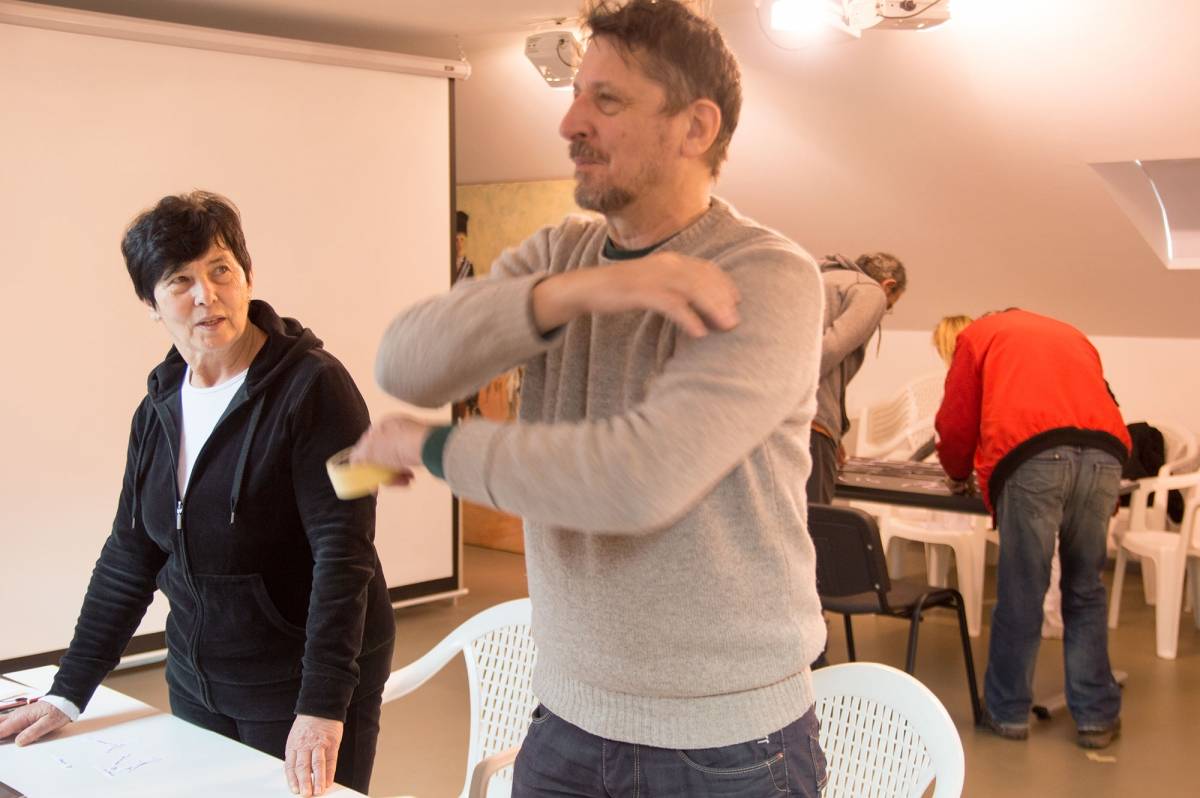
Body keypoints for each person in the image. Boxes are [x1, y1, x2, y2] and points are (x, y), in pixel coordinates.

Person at [351, 1, 829, 794]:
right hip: (566, 722)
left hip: (729, 748)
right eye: (577, 96)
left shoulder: (767, 275)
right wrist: (587, 289)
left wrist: (428, 446)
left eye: (606, 100)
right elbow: (406, 364)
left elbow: (636, 479)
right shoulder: (561, 254)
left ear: (695, 127)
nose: (570, 123)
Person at [0, 192, 395, 796]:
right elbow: (130, 553)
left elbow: (345, 554)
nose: (207, 296)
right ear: (150, 302)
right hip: (196, 677)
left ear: (247, 277)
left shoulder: (319, 387)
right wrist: (68, 692)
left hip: (301, 681)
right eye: (180, 281)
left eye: (220, 271)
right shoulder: (157, 406)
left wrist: (322, 705)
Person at [935, 308, 1129, 749]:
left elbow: (957, 419)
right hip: (1105, 455)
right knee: (1085, 588)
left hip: (1033, 456)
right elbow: (1106, 401)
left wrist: (958, 471)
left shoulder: (979, 336)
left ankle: (1006, 713)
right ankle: (1096, 718)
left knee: (1023, 588)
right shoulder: (1072, 334)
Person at [806, 252, 907, 504]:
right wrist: (824, 425)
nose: (884, 310)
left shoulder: (818, 279)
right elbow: (828, 350)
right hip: (809, 421)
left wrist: (835, 431)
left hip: (777, 419)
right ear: (888, 285)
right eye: (890, 305)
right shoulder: (871, 292)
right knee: (814, 520)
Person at [454, 210, 475, 284]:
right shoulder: (448, 263)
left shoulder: (468, 267)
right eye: (456, 240)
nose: (459, 243)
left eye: (462, 239)